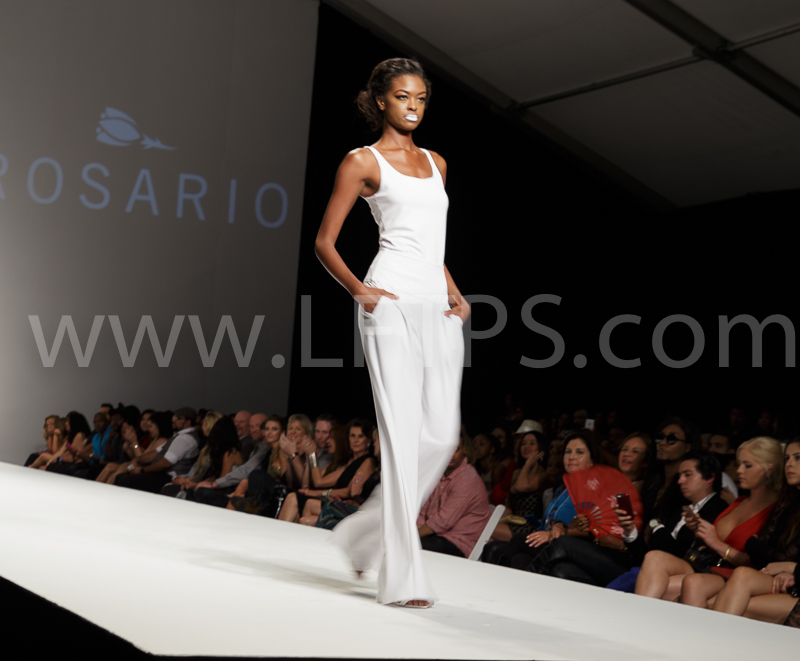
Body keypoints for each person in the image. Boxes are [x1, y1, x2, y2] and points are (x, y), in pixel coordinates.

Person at [315, 57, 467, 608]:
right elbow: (325, 242)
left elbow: (432, 244)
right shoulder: (363, 161)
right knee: (402, 437)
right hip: (390, 300)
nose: (414, 106)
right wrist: (361, 291)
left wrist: (454, 290)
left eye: (421, 98)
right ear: (382, 100)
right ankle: (404, 579)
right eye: (404, 97)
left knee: (441, 436)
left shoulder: (437, 162)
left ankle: (361, 533)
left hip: (436, 305)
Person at [635, 436, 781, 604]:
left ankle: (640, 613)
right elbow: (711, 541)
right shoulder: (738, 502)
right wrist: (699, 530)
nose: (739, 470)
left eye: (747, 465)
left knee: (667, 587)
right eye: (739, 464)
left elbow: (761, 563)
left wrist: (716, 543)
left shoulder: (775, 512)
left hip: (732, 575)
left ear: (769, 469)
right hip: (706, 565)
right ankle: (638, 614)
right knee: (654, 557)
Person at [711, 439, 800, 624]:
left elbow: (779, 555)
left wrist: (792, 568)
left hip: (794, 585)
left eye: (797, 458)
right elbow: (762, 555)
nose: (789, 464)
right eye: (787, 458)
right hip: (782, 581)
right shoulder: (787, 504)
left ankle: (710, 639)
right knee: (737, 580)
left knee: (735, 592)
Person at [417, 435, 490, 557]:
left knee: (407, 546)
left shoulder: (467, 477)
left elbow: (443, 521)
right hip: (438, 535)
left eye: (456, 449)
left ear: (464, 450)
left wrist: (412, 535)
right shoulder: (438, 474)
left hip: (460, 542)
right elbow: (424, 511)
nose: (451, 454)